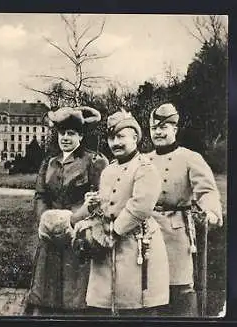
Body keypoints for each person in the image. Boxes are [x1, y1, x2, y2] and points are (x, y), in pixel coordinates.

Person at [74, 110, 170, 316]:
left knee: (134, 305)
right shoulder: (109, 169)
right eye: (111, 138)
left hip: (137, 245)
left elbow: (140, 205)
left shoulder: (145, 168)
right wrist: (94, 209)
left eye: (120, 136)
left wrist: (113, 232)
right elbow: (107, 205)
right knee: (103, 304)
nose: (115, 143)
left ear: (135, 137)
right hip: (107, 245)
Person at [25, 106, 108, 315]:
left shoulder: (94, 161)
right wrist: (45, 219)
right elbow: (40, 195)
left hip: (77, 234)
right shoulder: (49, 163)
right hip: (51, 235)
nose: (65, 138)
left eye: (71, 133)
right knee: (46, 292)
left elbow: (101, 199)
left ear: (80, 135)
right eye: (62, 133)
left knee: (75, 294)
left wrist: (77, 218)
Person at [147, 103, 223, 316]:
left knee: (180, 287)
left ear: (175, 129)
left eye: (164, 128)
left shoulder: (190, 158)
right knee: (150, 287)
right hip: (148, 231)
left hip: (177, 231)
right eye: (154, 128)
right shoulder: (144, 160)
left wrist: (210, 212)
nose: (158, 133)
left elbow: (206, 191)